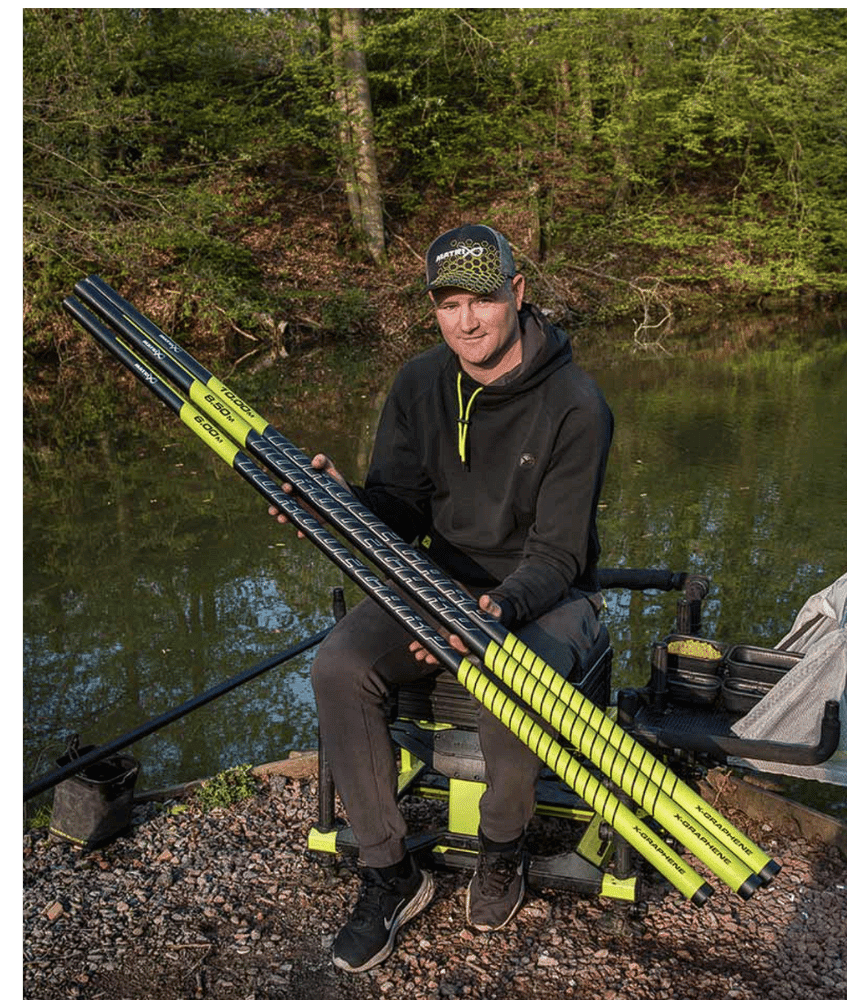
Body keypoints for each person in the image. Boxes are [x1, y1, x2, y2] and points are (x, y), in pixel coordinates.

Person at [269, 223, 614, 973]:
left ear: (517, 295)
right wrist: (338, 502)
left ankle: (501, 847)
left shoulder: (577, 404)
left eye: (482, 301)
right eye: (448, 304)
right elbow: (398, 506)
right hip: (436, 584)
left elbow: (558, 554)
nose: (466, 321)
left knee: (504, 676)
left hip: (546, 595)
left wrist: (483, 617)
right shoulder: (419, 382)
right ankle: (390, 872)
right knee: (338, 666)